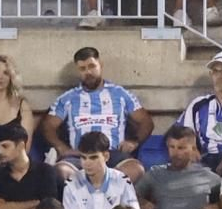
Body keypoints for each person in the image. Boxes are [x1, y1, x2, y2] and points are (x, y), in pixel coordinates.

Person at [43, 49, 155, 182]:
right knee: (61, 171)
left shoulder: (120, 94)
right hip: (80, 155)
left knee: (135, 169)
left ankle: (105, 194)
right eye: (83, 69)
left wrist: (134, 141)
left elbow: (146, 122)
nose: (88, 72)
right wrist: (62, 147)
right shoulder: (68, 98)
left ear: (100, 64)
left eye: (92, 66)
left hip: (112, 153)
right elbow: (47, 126)